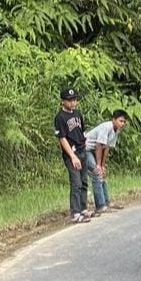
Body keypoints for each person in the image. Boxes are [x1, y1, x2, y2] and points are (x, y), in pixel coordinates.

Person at [54, 87, 91, 224]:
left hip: (82, 150)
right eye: (69, 100)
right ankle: (75, 213)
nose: (73, 102)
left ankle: (83, 209)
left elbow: (83, 131)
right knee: (76, 183)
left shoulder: (77, 113)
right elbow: (62, 138)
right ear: (63, 101)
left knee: (84, 181)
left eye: (74, 99)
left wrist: (85, 146)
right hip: (72, 153)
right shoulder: (60, 117)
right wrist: (72, 156)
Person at [84, 109, 129, 214]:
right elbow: (99, 146)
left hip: (96, 150)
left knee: (102, 174)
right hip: (86, 149)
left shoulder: (116, 130)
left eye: (124, 122)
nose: (122, 123)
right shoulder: (106, 127)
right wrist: (98, 165)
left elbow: (107, 147)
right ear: (113, 120)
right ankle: (100, 206)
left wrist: (103, 165)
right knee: (97, 173)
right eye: (120, 121)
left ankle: (106, 202)